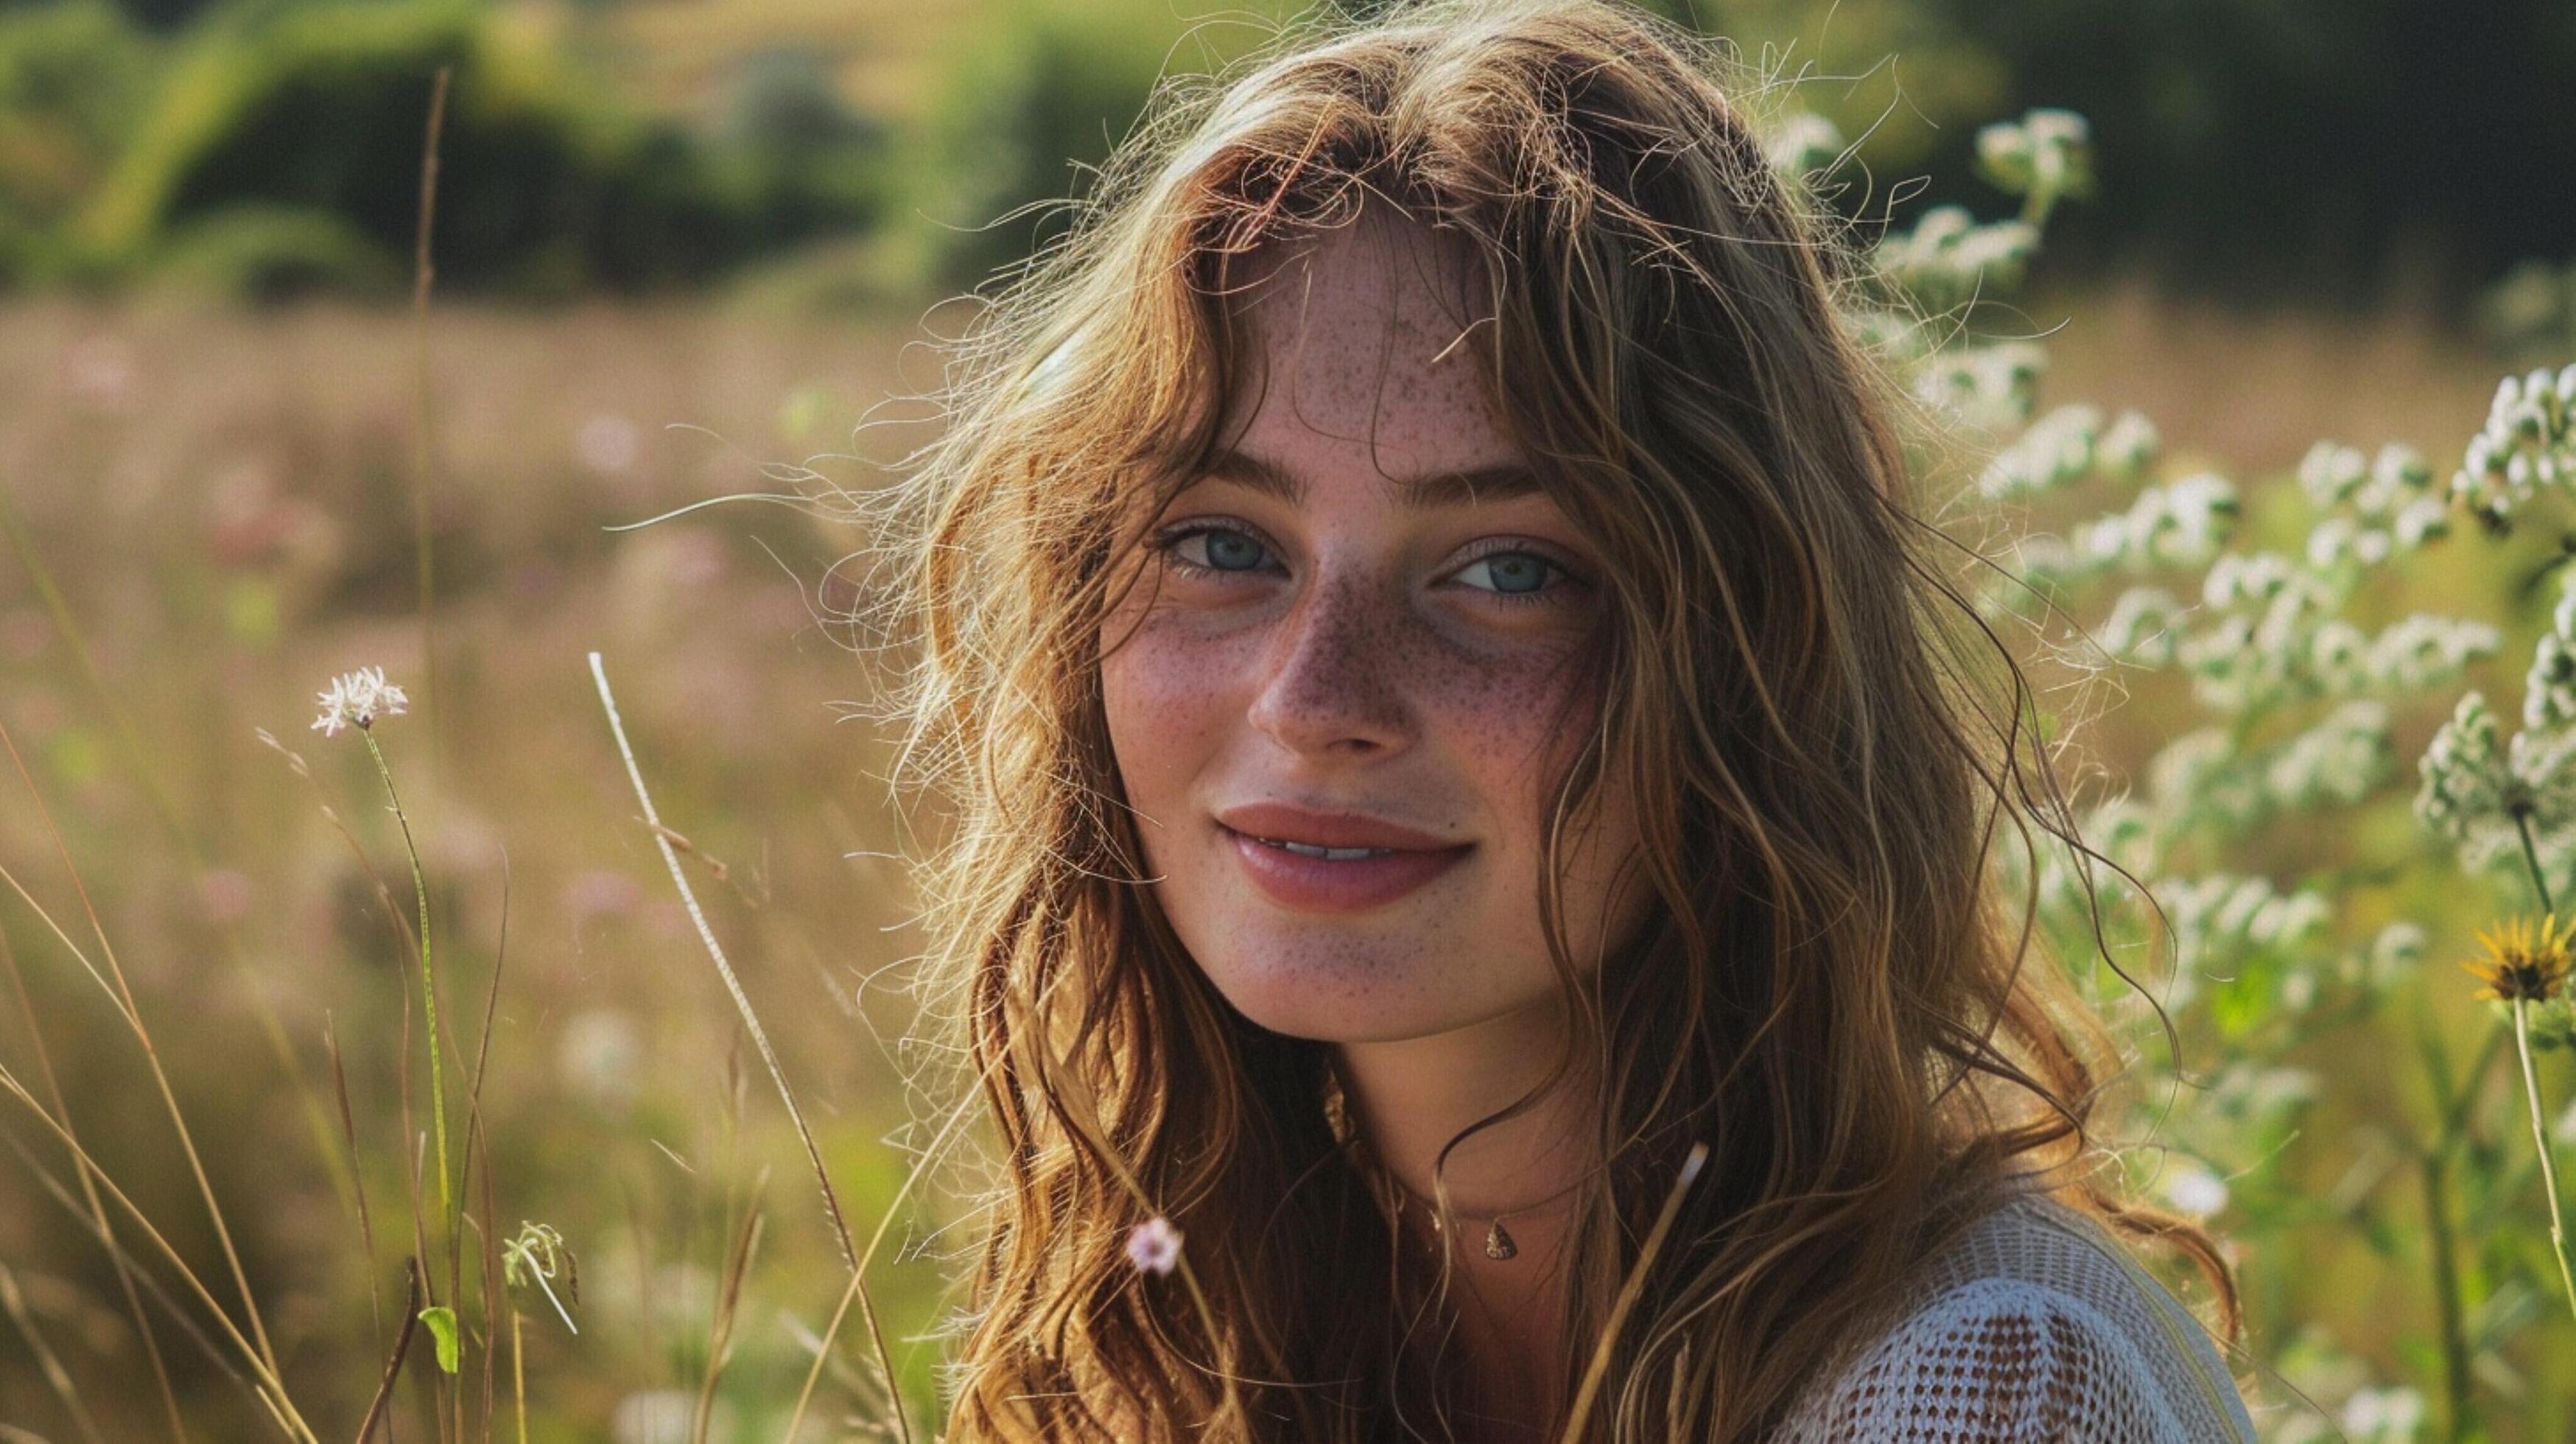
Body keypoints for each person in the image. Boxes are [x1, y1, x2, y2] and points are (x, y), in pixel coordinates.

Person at [864, 0, 2263, 1437]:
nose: (1312, 700)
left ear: (1745, 656)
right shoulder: (1215, 1306)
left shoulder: (1985, 1386)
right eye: (1224, 544)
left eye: (1507, 571)